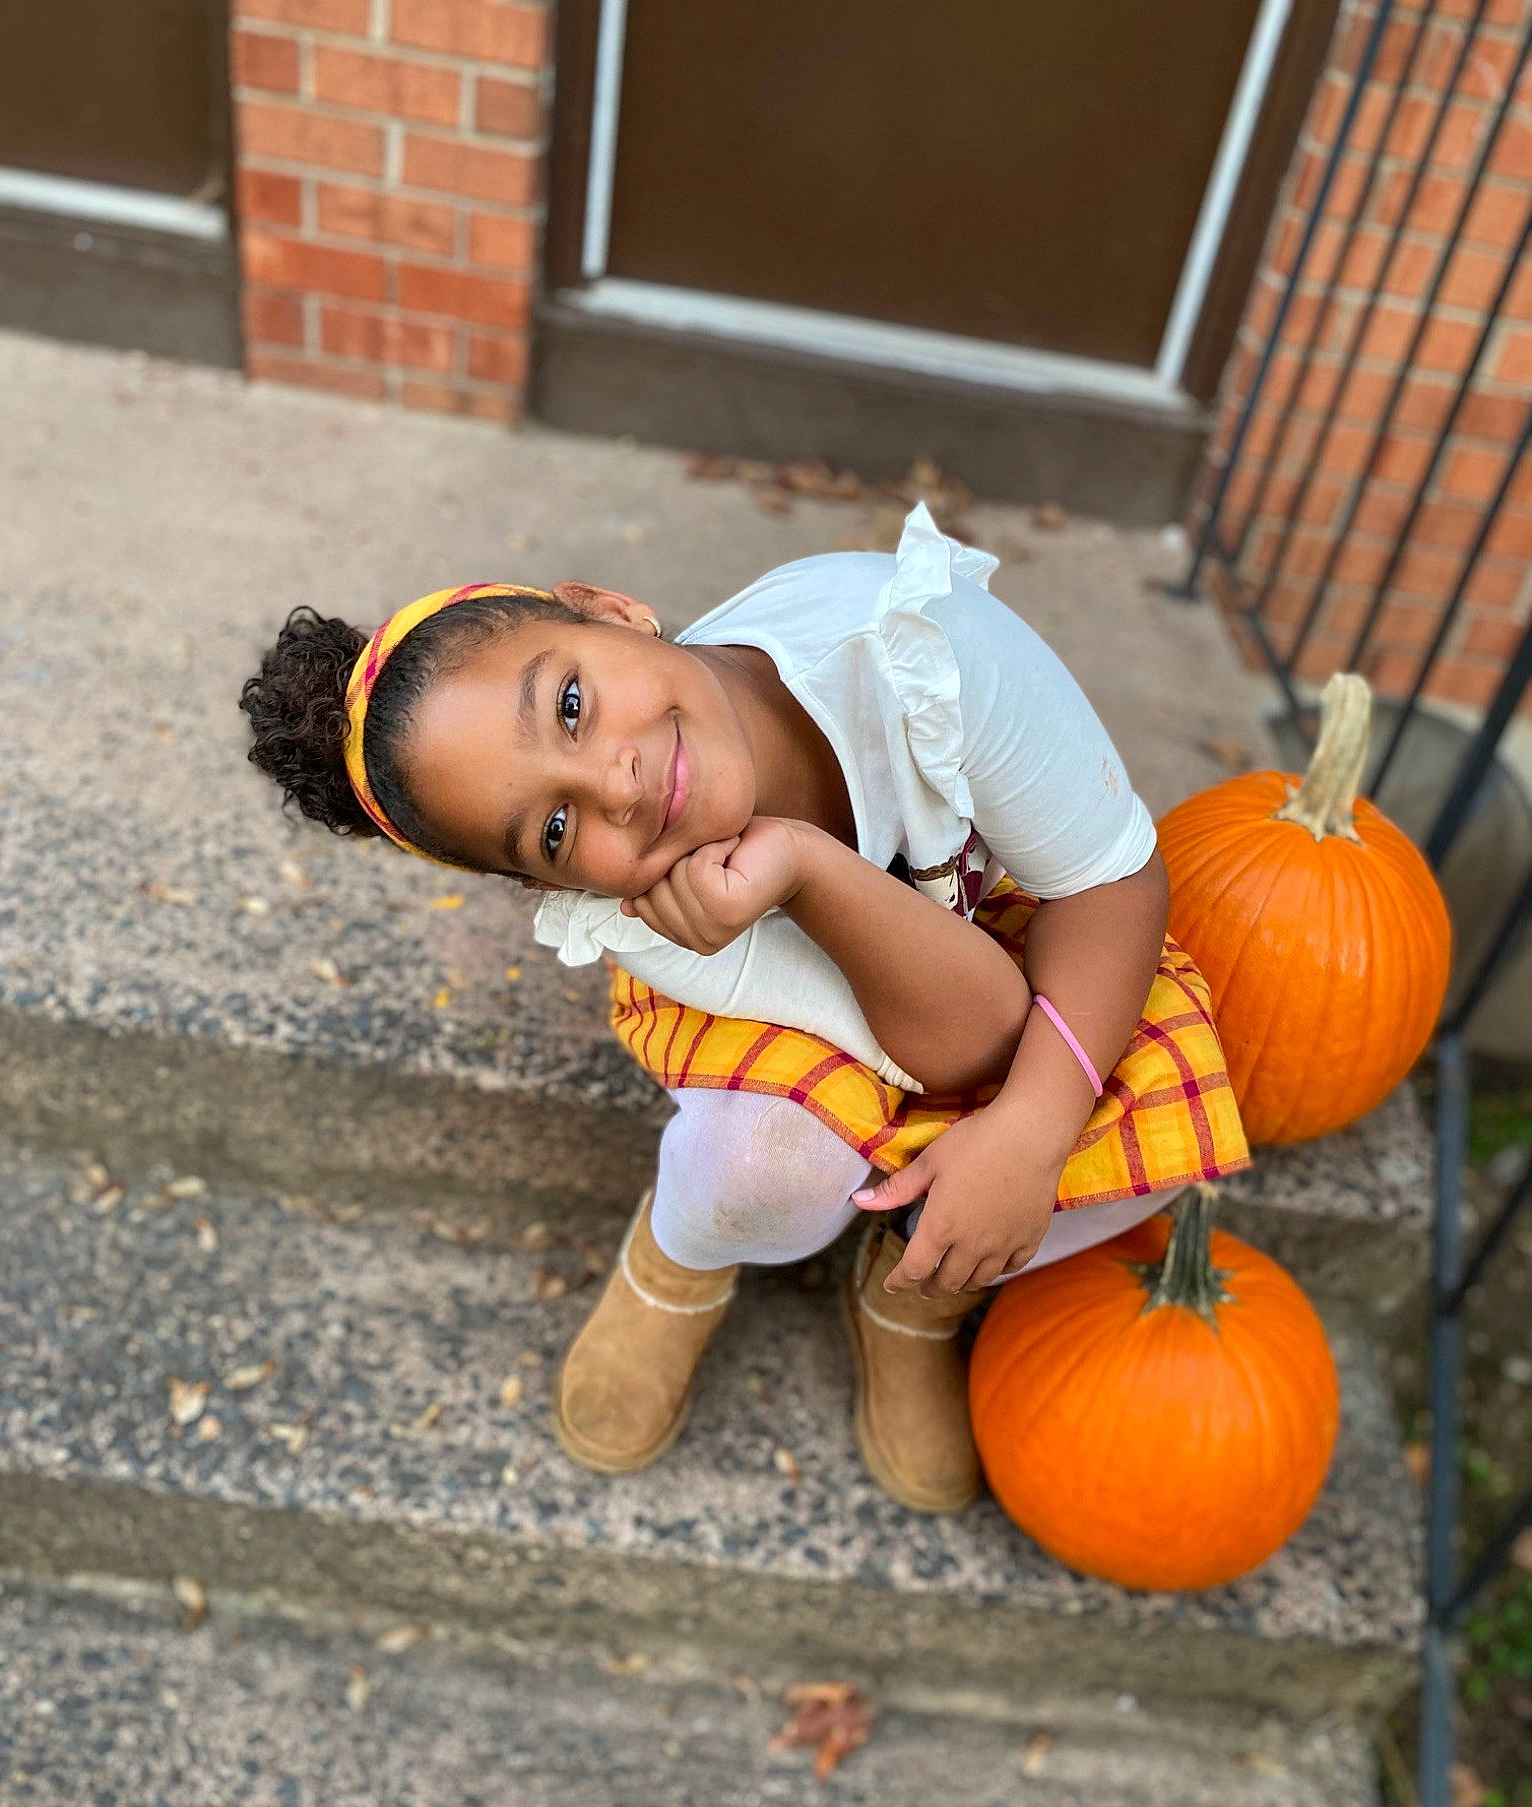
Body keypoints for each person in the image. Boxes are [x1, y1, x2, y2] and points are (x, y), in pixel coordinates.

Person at [240, 506, 1247, 1516]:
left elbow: (1109, 889)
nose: (615, 783)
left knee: (1122, 1111)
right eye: (553, 826)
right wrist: (810, 869)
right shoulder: (645, 905)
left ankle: (916, 1289)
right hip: (809, 953)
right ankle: (678, 1259)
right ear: (549, 885)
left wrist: (1029, 1133)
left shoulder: (932, 654)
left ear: (614, 611)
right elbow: (960, 1051)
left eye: (574, 704)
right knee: (767, 1158)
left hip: (1011, 912)